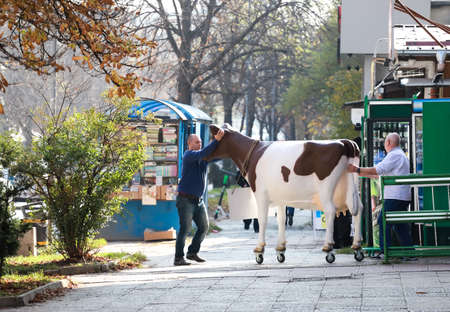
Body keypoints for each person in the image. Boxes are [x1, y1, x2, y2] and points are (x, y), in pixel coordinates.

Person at [348, 132, 413, 259]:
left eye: (384, 142)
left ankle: (385, 252)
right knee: (400, 225)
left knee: (382, 221)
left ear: (388, 143)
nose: (384, 145)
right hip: (400, 196)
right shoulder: (399, 155)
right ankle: (409, 252)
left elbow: (377, 170)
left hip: (396, 196)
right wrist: (359, 173)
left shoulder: (394, 155)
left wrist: (356, 169)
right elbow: (379, 175)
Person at [174, 129, 224, 266]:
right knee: (185, 229)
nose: (200, 144)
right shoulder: (189, 155)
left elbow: (213, 155)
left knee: (204, 227)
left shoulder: (202, 158)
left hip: (198, 201)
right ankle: (178, 258)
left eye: (201, 142)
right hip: (185, 200)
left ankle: (192, 252)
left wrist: (226, 148)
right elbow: (203, 153)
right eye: (197, 142)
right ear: (190, 143)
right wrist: (215, 141)